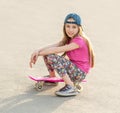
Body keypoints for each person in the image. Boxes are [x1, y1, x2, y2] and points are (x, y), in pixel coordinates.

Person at [29, 13, 95, 96]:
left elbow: (57, 49)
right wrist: (38, 50)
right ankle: (52, 77)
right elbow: (55, 45)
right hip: (73, 69)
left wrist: (38, 54)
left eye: (74, 27)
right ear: (64, 27)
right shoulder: (69, 39)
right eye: (68, 26)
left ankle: (70, 87)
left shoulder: (79, 41)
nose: (70, 30)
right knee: (47, 53)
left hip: (79, 73)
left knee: (51, 55)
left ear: (79, 28)